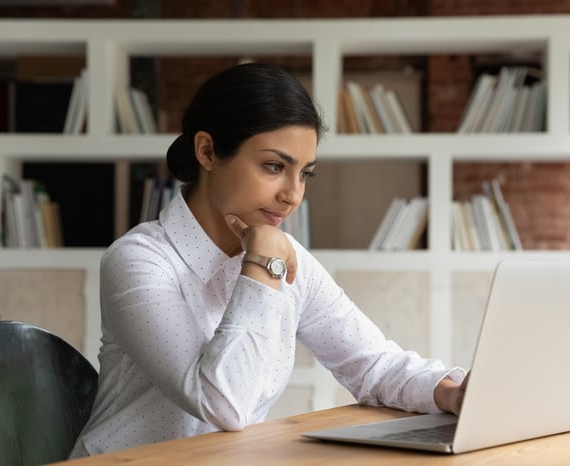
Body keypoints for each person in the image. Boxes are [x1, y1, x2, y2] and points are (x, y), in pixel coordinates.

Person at [69, 62, 467, 457]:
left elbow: (374, 365)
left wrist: (453, 394)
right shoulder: (139, 261)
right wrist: (260, 268)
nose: (292, 194)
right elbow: (222, 403)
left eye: (305, 173)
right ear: (207, 151)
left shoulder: (290, 261)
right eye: (274, 167)